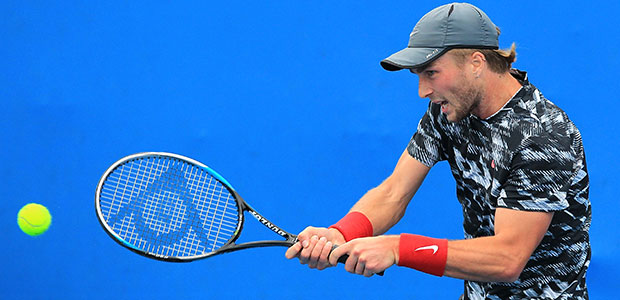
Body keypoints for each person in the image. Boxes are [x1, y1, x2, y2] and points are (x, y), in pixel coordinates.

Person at [284, 2, 591, 299]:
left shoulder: (541, 136)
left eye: (431, 73)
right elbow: (394, 192)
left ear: (476, 63)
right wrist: (343, 233)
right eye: (418, 76)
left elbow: (508, 257)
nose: (423, 91)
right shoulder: (447, 111)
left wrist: (398, 248)